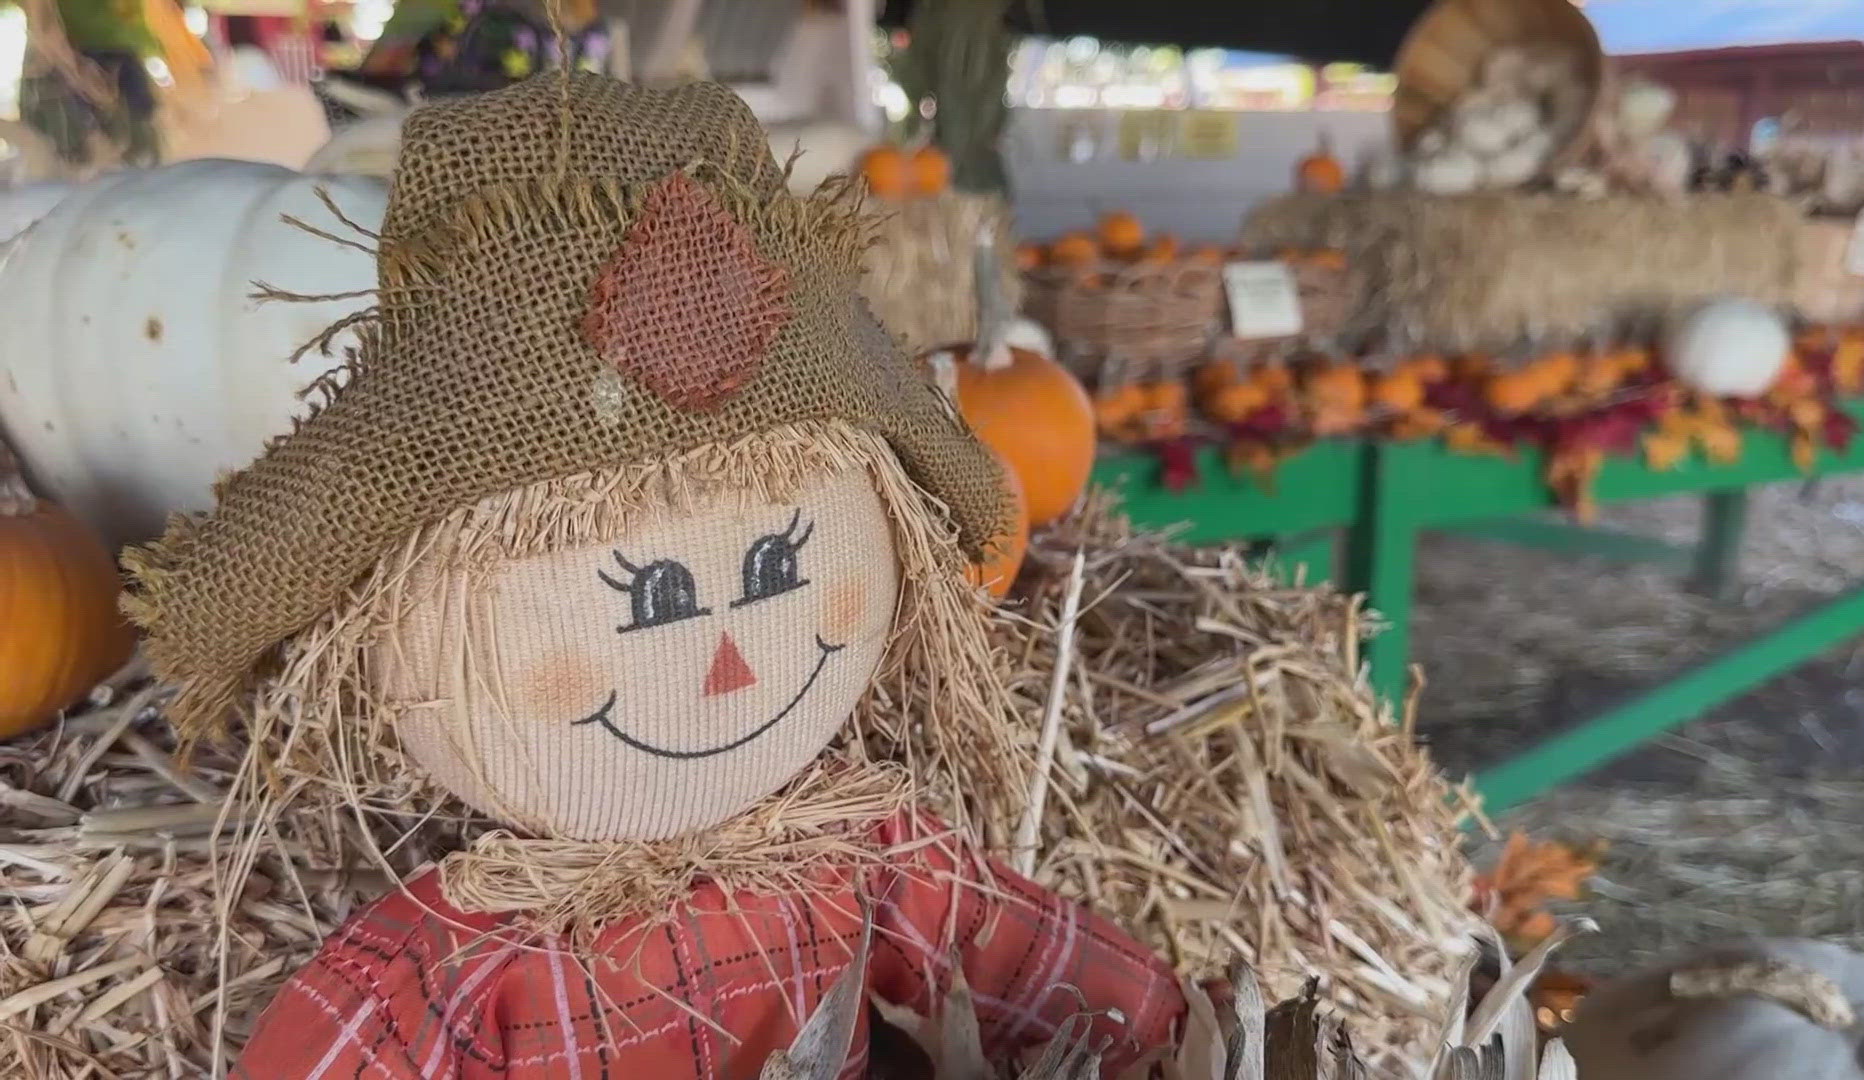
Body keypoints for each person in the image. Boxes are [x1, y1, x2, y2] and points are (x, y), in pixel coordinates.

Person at [122, 73, 1184, 1078]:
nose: (726, 657)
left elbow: (1054, 975)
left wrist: (1178, 1042)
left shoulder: (861, 863)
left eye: (778, 565)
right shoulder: (460, 959)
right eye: (650, 598)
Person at [17, 0, 161, 166]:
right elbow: (43, 27)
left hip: (107, 55)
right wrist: (75, 69)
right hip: (76, 60)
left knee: (136, 138)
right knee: (86, 153)